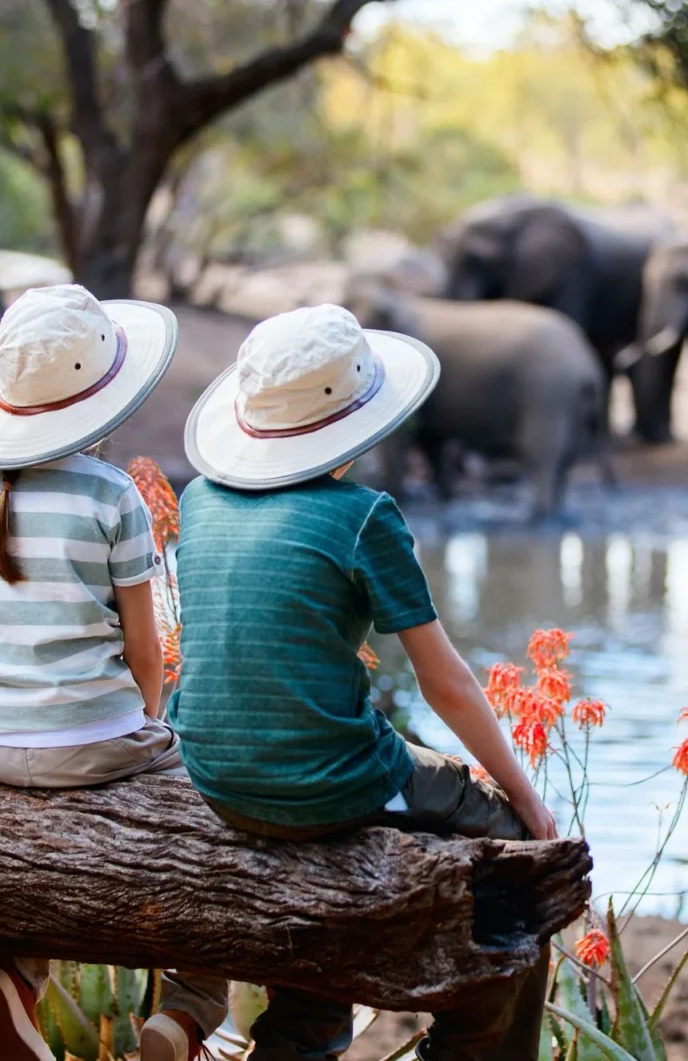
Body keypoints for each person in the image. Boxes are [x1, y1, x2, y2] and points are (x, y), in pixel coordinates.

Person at [175, 304, 560, 1061]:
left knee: (325, 890)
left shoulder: (199, 500)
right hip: (330, 783)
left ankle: (300, 1043)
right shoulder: (362, 515)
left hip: (214, 775)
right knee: (517, 867)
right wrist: (522, 795)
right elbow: (444, 682)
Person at [0, 283, 229, 1061]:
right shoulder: (110, 494)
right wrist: (148, 725)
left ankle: (15, 972)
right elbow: (144, 645)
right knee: (216, 825)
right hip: (95, 742)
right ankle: (187, 1007)